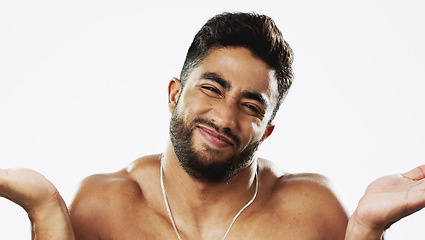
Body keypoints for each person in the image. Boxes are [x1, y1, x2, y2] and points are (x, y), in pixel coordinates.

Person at [1, 12, 425, 240]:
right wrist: (43, 207)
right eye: (212, 88)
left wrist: (368, 229)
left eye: (251, 106)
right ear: (174, 94)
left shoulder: (312, 212)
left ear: (267, 131)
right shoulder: (104, 206)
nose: (224, 117)